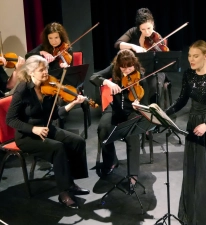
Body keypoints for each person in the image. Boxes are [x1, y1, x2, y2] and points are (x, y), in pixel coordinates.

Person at [5, 55, 89, 209]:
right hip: (26, 136)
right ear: (31, 72)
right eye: (41, 70)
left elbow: (55, 113)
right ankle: (64, 192)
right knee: (58, 148)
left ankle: (70, 182)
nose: (46, 72)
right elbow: (10, 120)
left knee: (78, 141)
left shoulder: (48, 87)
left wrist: (73, 104)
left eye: (46, 68)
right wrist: (33, 129)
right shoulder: (23, 90)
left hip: (47, 128)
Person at [165, 40, 206, 224]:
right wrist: (162, 113)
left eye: (195, 56)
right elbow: (181, 101)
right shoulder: (188, 75)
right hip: (193, 127)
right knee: (195, 173)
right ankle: (196, 216)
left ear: (205, 55)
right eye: (189, 56)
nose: (191, 60)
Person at [90, 49, 148, 187]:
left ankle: (133, 173)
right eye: (123, 67)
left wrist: (139, 104)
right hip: (114, 108)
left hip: (132, 111)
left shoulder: (141, 75)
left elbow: (146, 100)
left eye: (130, 66)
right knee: (102, 129)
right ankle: (111, 161)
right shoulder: (114, 69)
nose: (126, 70)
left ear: (135, 64)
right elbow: (93, 77)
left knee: (132, 135)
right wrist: (107, 82)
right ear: (118, 65)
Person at [115, 8, 167, 105]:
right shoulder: (133, 32)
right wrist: (133, 46)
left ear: (153, 24)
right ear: (139, 28)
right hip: (136, 68)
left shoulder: (156, 37)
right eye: (143, 29)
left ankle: (154, 108)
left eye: (149, 28)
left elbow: (164, 54)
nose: (147, 32)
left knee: (155, 84)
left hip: (153, 70)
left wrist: (157, 47)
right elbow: (117, 44)